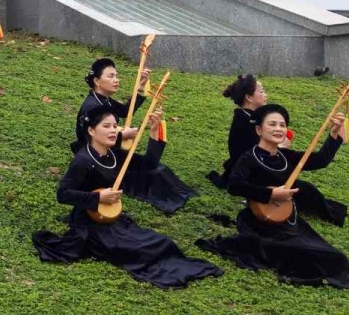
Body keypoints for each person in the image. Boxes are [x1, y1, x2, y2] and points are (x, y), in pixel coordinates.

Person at [32, 105, 223, 289]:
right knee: (137, 250)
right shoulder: (82, 160)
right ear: (91, 130)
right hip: (89, 222)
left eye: (115, 126)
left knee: (161, 242)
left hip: (113, 217)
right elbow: (63, 194)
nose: (113, 130)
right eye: (106, 126)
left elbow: (148, 164)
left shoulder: (114, 154)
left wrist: (153, 131)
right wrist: (98, 198)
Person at [197, 104, 349, 289]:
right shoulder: (249, 158)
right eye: (272, 124)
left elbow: (320, 160)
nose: (278, 129)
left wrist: (334, 134)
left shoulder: (286, 156)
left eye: (282, 125)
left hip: (289, 222)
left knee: (335, 256)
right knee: (306, 254)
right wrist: (271, 193)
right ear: (259, 130)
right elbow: (234, 186)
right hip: (259, 223)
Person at [72, 58, 195, 214]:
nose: (116, 80)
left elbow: (124, 111)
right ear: (97, 81)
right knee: (151, 169)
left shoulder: (104, 100)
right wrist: (121, 136)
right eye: (110, 76)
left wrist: (141, 86)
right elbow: (87, 138)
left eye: (116, 76)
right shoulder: (92, 106)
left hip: (107, 149)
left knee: (153, 166)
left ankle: (154, 133)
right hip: (97, 156)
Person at [208, 74, 267, 189]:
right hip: (247, 172)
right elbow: (251, 152)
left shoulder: (248, 117)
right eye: (261, 91)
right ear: (249, 97)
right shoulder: (245, 120)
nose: (265, 94)